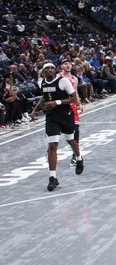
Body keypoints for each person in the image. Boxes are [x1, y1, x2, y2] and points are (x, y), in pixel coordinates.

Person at [30, 63, 84, 191]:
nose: (49, 70)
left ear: (55, 70)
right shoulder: (41, 82)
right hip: (51, 117)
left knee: (71, 140)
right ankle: (53, 178)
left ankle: (79, 158)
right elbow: (45, 97)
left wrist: (57, 102)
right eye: (47, 68)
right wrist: (35, 110)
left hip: (65, 115)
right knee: (52, 145)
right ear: (43, 71)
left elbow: (73, 99)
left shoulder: (63, 81)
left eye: (51, 68)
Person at [59, 60, 84, 165]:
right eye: (65, 63)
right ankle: (50, 150)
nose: (68, 65)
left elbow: (75, 92)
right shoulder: (58, 77)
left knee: (76, 131)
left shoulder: (75, 78)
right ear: (61, 66)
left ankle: (75, 155)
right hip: (61, 106)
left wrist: (80, 104)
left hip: (72, 106)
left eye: (69, 64)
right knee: (59, 131)